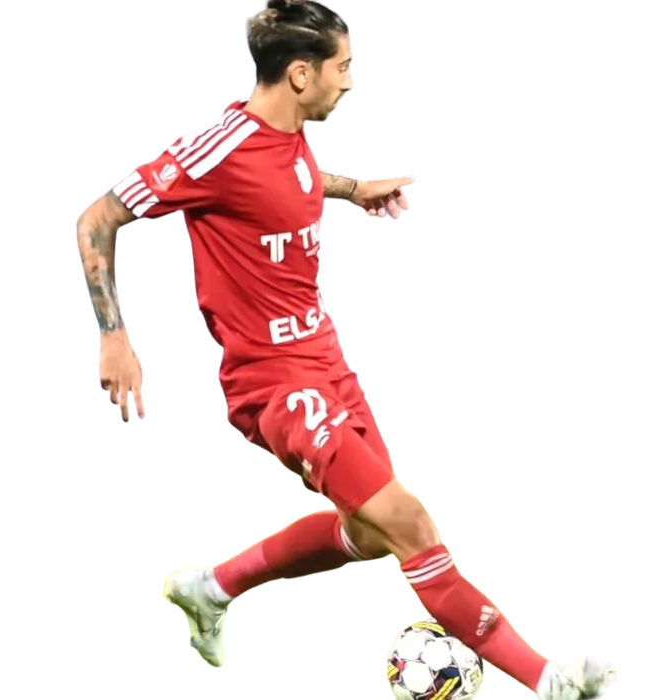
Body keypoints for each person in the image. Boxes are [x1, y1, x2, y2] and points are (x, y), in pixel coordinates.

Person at [74, 2, 618, 698]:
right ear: (301, 73)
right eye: (345, 66)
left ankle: (211, 588)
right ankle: (548, 680)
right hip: (273, 383)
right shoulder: (215, 148)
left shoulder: (291, 137)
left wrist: (356, 188)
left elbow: (293, 181)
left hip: (328, 362)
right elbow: (97, 218)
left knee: (370, 532)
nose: (352, 82)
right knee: (409, 521)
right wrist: (114, 334)